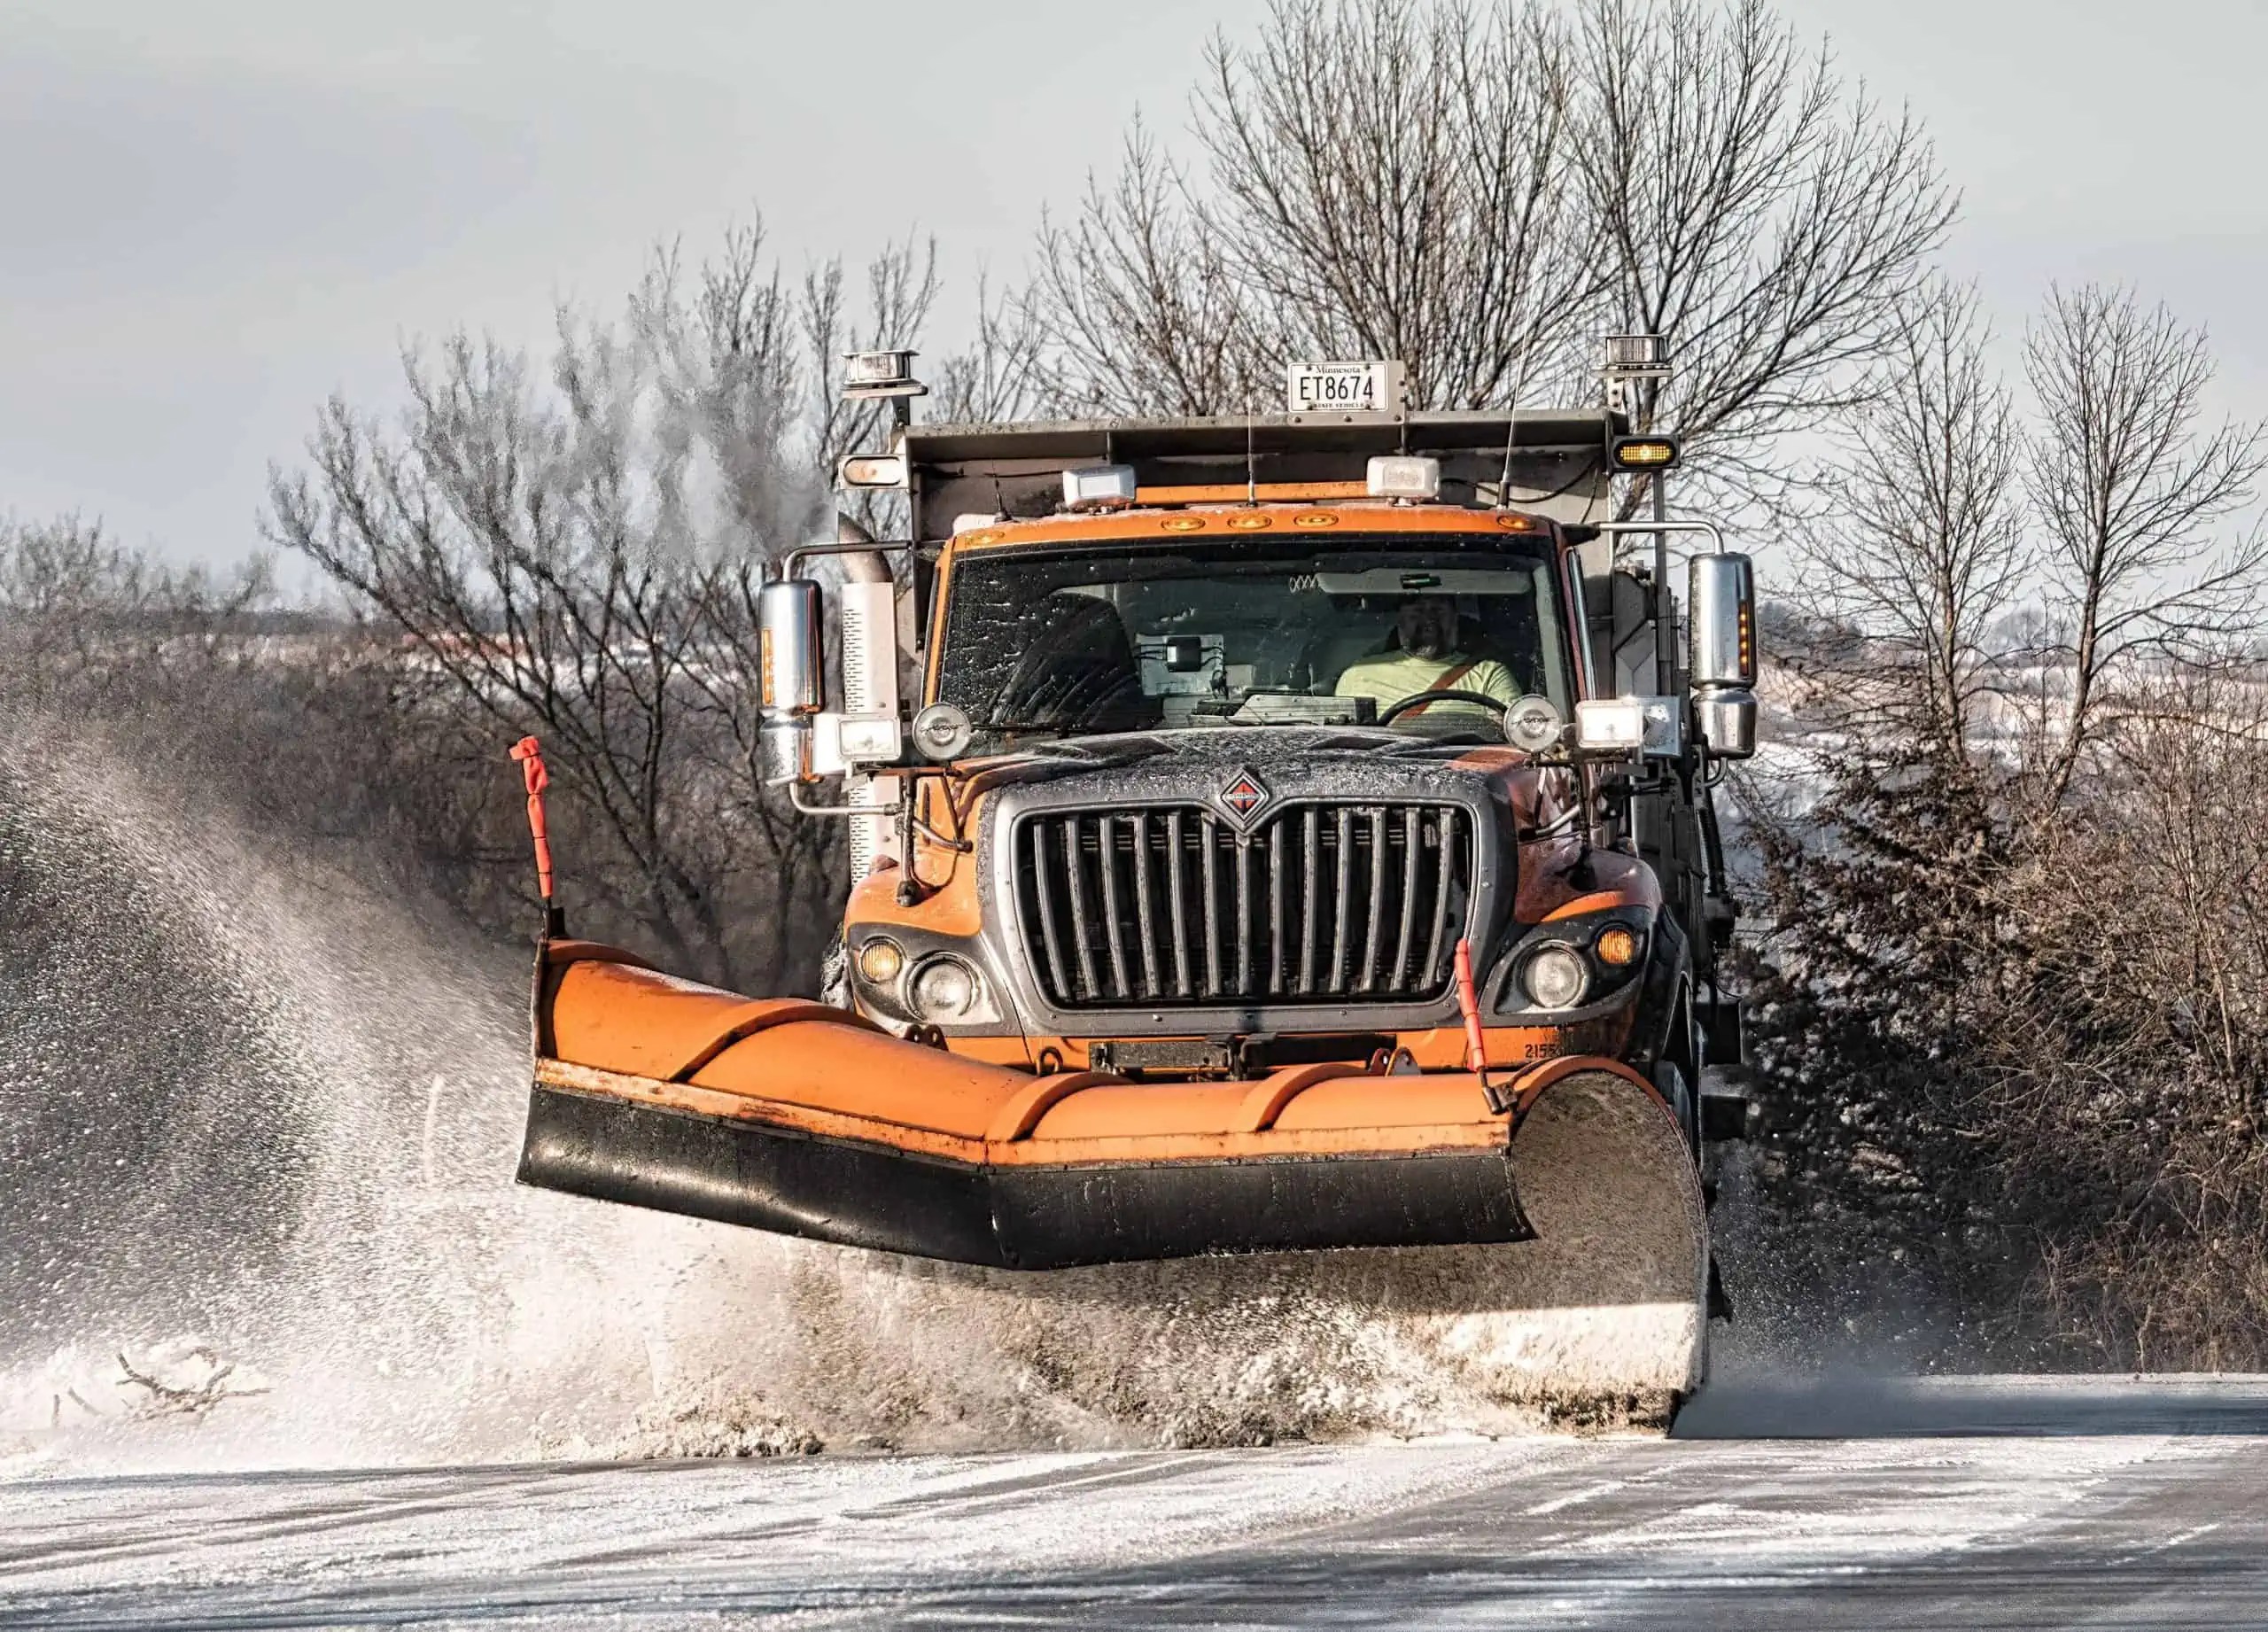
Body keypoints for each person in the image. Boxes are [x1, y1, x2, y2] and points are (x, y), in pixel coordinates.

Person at [1333, 598, 1518, 719]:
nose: (1429, 619)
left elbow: (1518, 736)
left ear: (1455, 621)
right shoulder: (1359, 674)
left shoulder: (1489, 674)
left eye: (1438, 610)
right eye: (1418, 611)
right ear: (1400, 623)